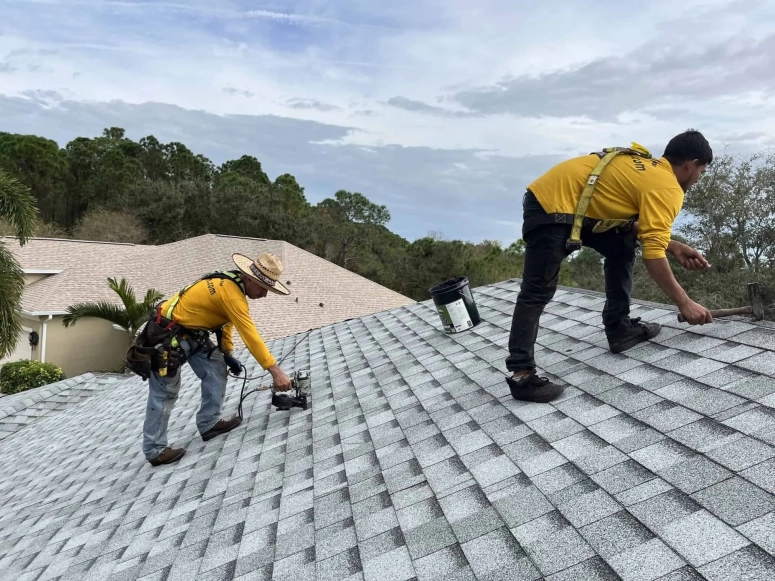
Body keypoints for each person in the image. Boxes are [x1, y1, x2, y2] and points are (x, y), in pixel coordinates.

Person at [506, 129, 715, 403]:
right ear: (691, 164)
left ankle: (619, 329)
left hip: (572, 205)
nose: (698, 179)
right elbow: (653, 256)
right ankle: (521, 375)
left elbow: (626, 221)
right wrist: (685, 303)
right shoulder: (667, 187)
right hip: (551, 205)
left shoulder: (648, 170)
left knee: (622, 242)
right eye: (701, 172)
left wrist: (673, 245)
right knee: (537, 290)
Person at [140, 252, 293, 466]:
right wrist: (276, 372)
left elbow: (227, 320)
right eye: (263, 288)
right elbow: (251, 337)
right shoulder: (232, 295)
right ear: (249, 279)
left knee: (216, 367)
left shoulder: (232, 282)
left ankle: (209, 423)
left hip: (192, 333)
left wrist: (227, 352)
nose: (265, 294)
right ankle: (154, 449)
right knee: (165, 392)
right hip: (166, 336)